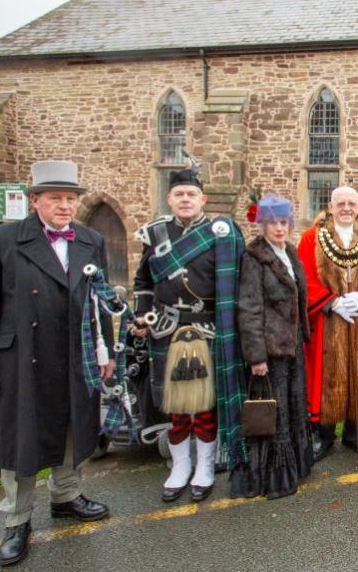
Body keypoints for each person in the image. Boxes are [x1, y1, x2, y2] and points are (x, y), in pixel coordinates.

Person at [0, 161, 113, 567]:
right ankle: (17, 520)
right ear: (35, 201)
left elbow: (98, 300)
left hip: (74, 352)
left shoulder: (90, 240)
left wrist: (106, 353)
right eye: (56, 199)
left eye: (70, 199)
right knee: (22, 436)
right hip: (20, 357)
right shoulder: (0, 240)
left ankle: (66, 496)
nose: (65, 206)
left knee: (72, 424)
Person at [132, 166, 248, 503]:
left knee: (206, 403)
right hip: (167, 328)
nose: (185, 199)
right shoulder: (154, 235)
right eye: (179, 194)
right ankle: (180, 467)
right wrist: (141, 314)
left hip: (207, 329)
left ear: (203, 199)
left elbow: (236, 278)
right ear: (169, 198)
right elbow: (143, 283)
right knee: (176, 406)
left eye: (191, 194)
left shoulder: (220, 232)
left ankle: (206, 467)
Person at [298, 186, 358, 461]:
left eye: (352, 203)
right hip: (327, 324)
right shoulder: (311, 238)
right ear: (330, 206)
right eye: (341, 203)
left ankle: (355, 434)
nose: (347, 208)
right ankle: (325, 437)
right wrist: (332, 303)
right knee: (327, 379)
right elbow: (304, 278)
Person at [233, 194, 313, 499]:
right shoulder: (254, 258)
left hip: (293, 347)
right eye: (273, 223)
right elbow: (249, 309)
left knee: (293, 408)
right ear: (263, 225)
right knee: (274, 415)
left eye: (284, 222)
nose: (279, 228)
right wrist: (256, 357)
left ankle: (296, 467)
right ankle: (274, 478)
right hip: (270, 351)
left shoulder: (289, 252)